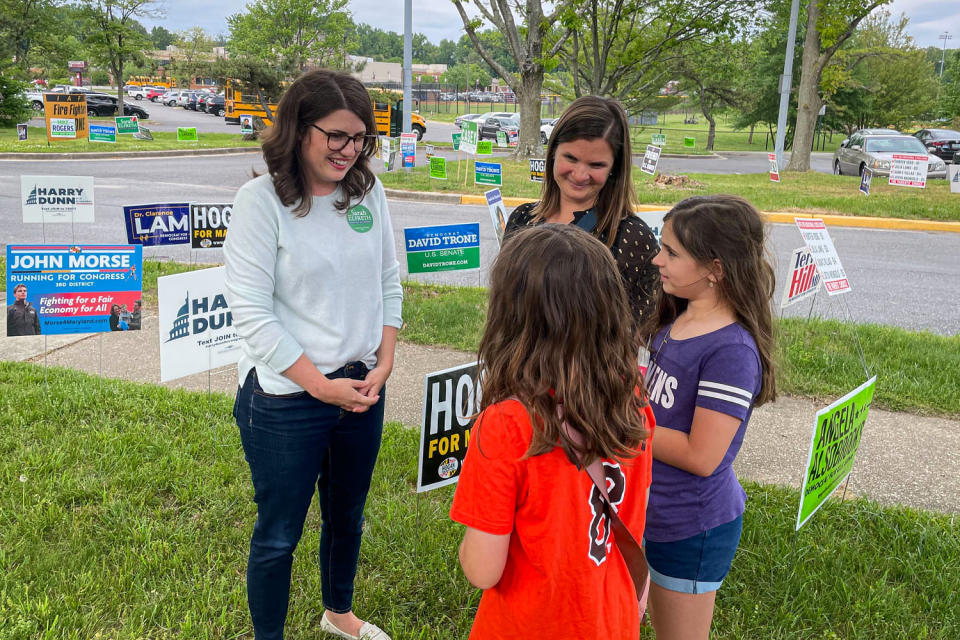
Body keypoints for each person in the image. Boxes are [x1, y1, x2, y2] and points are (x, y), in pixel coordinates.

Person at [224, 69, 401, 640]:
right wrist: (320, 386)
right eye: (337, 136)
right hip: (286, 400)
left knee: (347, 516)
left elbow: (388, 280)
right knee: (279, 533)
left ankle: (338, 612)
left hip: (361, 390)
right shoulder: (260, 202)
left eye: (361, 139)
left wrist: (385, 359)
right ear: (299, 128)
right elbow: (252, 314)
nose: (350, 151)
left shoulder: (368, 193)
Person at [450, 224, 654, 639]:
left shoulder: (508, 424)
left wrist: (466, 550)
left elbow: (483, 570)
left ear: (511, 316)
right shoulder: (632, 396)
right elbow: (637, 510)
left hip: (530, 623)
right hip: (610, 616)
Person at [642, 195, 777, 640]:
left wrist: (620, 422)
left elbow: (702, 455)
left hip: (690, 528)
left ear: (714, 269)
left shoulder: (731, 351)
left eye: (672, 252)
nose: (657, 258)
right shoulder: (677, 319)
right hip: (651, 512)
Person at [503, 95, 659, 333]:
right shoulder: (522, 219)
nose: (579, 174)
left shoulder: (633, 237)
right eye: (571, 158)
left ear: (614, 170)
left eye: (596, 165)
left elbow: (642, 335)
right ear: (553, 151)